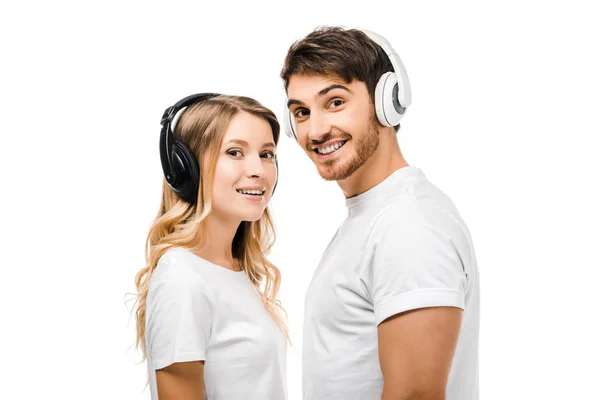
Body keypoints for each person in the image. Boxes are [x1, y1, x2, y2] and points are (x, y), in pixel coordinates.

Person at [280, 27, 480, 399]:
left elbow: (415, 396)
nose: (317, 130)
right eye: (302, 112)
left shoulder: (408, 225)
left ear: (387, 100)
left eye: (335, 102)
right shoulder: (375, 217)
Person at [134, 93, 288, 400]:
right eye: (234, 152)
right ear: (185, 169)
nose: (258, 169)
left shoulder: (233, 271)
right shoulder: (183, 279)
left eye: (266, 154)